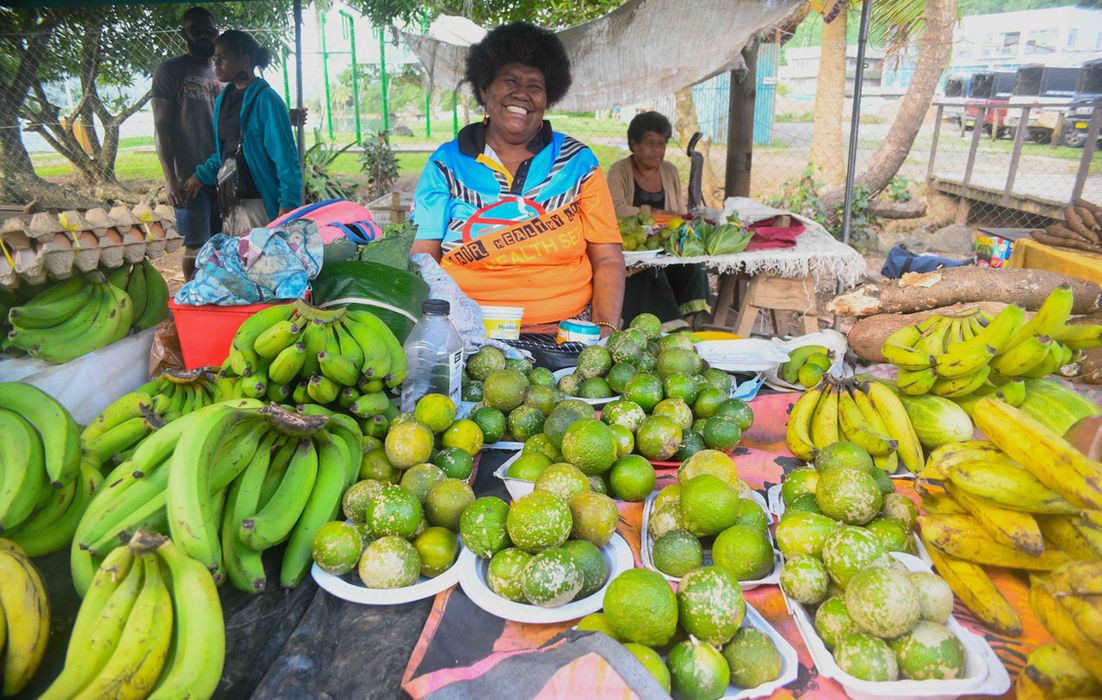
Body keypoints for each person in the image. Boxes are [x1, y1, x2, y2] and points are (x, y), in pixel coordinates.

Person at [409, 22, 624, 336]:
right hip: (468, 330)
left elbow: (607, 258)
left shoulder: (578, 163)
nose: (522, 94)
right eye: (509, 80)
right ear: (484, 89)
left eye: (535, 86)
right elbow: (423, 258)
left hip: (568, 331)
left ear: (548, 98)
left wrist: (604, 331)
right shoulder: (446, 164)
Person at [184, 30, 302, 237]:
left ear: (245, 60)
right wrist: (200, 176)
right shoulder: (223, 99)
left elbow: (286, 158)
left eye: (223, 57)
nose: (216, 64)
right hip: (231, 203)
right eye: (215, 58)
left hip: (259, 204)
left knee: (258, 263)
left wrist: (288, 204)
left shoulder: (267, 100)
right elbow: (227, 152)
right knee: (239, 262)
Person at [607, 111, 711, 329]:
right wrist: (650, 213)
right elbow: (614, 209)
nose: (657, 150)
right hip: (635, 249)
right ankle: (670, 328)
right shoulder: (619, 170)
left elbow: (678, 213)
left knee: (694, 266)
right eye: (650, 143)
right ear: (634, 144)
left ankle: (688, 325)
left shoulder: (670, 171)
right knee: (651, 271)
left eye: (662, 144)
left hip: (666, 243)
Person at [151, 6, 222, 280]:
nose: (204, 37)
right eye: (197, 31)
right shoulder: (170, 71)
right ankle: (192, 301)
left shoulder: (225, 69)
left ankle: (218, 303)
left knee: (224, 245)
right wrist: (170, 180)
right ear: (184, 34)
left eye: (210, 32)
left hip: (225, 176)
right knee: (195, 248)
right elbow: (161, 127)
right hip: (189, 180)